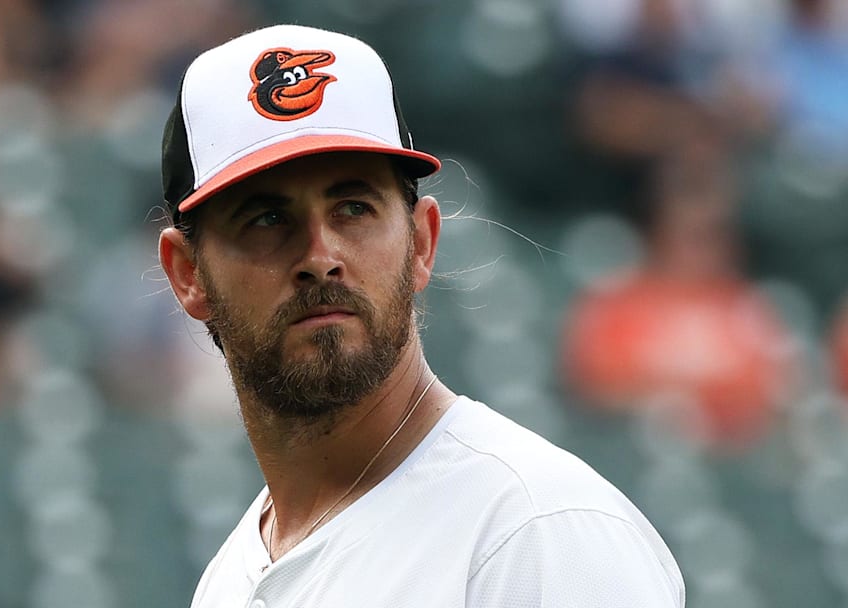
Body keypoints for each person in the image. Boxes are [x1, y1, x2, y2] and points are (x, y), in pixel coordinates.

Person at [158, 24, 685, 607]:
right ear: (188, 274)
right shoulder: (228, 580)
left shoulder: (537, 534)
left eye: (354, 208)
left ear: (423, 243)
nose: (320, 257)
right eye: (266, 219)